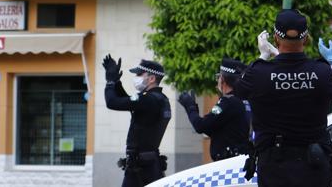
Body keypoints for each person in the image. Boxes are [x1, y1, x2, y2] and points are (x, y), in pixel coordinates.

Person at [234, 9, 332, 187]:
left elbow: (239, 89)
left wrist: (263, 56)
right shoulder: (320, 71)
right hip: (314, 168)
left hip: (276, 169)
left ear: (275, 38)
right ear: (305, 39)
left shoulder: (260, 73)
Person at [103, 55, 172, 187]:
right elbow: (129, 102)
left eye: (140, 74)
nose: (137, 77)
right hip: (150, 162)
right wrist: (117, 83)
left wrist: (110, 82)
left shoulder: (148, 100)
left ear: (152, 78)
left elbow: (112, 103)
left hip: (140, 166)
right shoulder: (160, 99)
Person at [177, 58, 253, 162]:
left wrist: (190, 107)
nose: (217, 81)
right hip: (237, 158)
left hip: (227, 162)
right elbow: (214, 128)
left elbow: (201, 126)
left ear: (223, 79)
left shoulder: (227, 102)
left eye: (218, 77)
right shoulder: (243, 100)